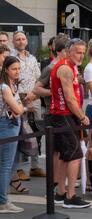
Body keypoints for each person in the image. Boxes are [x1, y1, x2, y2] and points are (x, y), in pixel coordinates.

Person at [49, 38, 91, 209]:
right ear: (68, 51)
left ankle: (60, 193)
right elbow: (69, 98)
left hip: (62, 115)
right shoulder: (65, 68)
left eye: (82, 52)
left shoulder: (70, 66)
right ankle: (70, 196)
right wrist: (82, 116)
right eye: (77, 52)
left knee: (65, 156)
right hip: (63, 115)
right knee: (76, 155)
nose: (81, 56)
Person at [12, 31, 46, 179]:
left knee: (36, 131)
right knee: (21, 132)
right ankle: (18, 169)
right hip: (18, 98)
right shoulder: (11, 58)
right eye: (18, 39)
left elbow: (38, 78)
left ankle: (35, 166)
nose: (21, 41)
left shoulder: (32, 58)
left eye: (23, 38)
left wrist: (34, 95)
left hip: (35, 97)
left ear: (27, 41)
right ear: (14, 42)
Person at [0, 56, 25, 213]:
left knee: (7, 164)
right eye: (14, 69)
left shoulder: (12, 85)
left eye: (18, 68)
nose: (17, 71)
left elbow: (19, 106)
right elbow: (18, 109)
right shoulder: (5, 87)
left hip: (11, 124)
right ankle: (3, 201)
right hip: (6, 125)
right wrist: (20, 108)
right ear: (6, 70)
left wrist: (19, 107)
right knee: (6, 165)